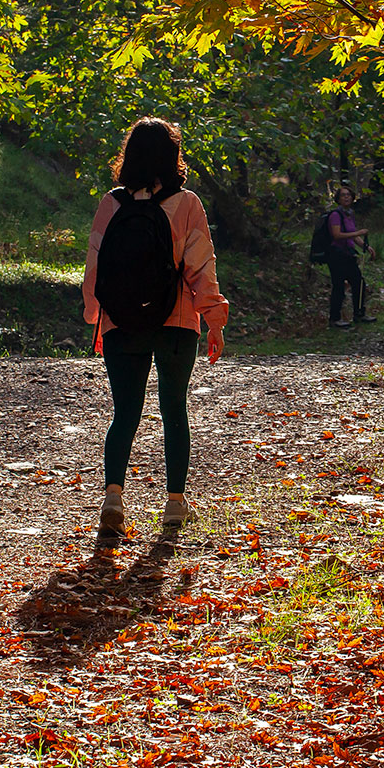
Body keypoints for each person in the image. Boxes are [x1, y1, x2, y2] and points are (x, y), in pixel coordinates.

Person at [82, 118, 228, 533]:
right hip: (177, 322)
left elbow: (96, 265)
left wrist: (98, 320)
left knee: (124, 413)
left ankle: (113, 498)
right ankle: (175, 504)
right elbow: (201, 268)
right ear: (172, 155)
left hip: (121, 323)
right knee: (174, 410)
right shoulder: (187, 204)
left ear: (128, 155)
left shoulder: (111, 205)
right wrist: (214, 320)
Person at [324, 184, 374, 328]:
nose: (346, 197)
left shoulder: (349, 214)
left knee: (359, 283)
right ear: (338, 199)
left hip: (348, 255)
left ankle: (359, 314)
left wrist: (366, 247)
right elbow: (337, 235)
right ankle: (335, 319)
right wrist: (358, 233)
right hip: (336, 255)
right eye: (343, 195)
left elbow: (351, 235)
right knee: (339, 287)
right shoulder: (335, 215)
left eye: (348, 195)